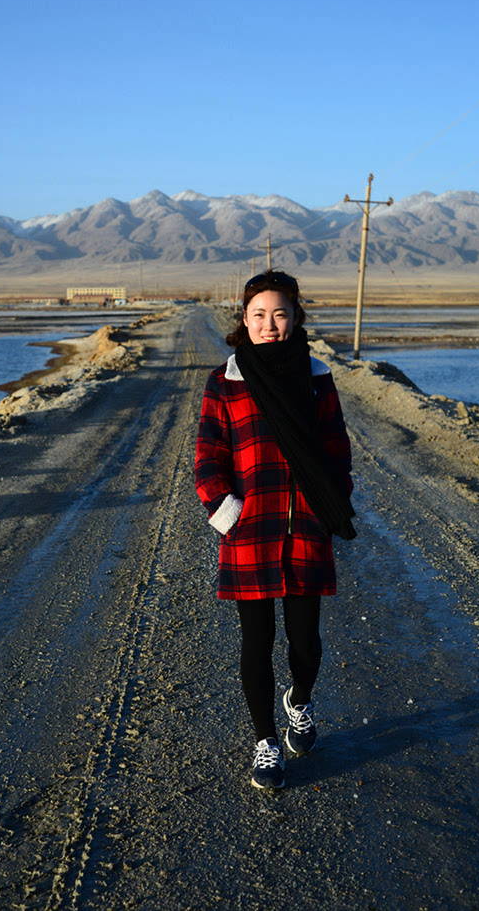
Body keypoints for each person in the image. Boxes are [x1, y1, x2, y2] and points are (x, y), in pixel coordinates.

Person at [195, 270, 356, 790]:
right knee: (256, 640)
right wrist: (225, 508)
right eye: (259, 314)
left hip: (306, 525)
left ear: (296, 318)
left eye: (280, 313)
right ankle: (266, 742)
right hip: (251, 530)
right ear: (244, 320)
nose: (270, 324)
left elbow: (335, 447)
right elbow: (208, 456)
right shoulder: (225, 381)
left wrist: (334, 501)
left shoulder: (316, 377)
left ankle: (300, 702)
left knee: (306, 641)